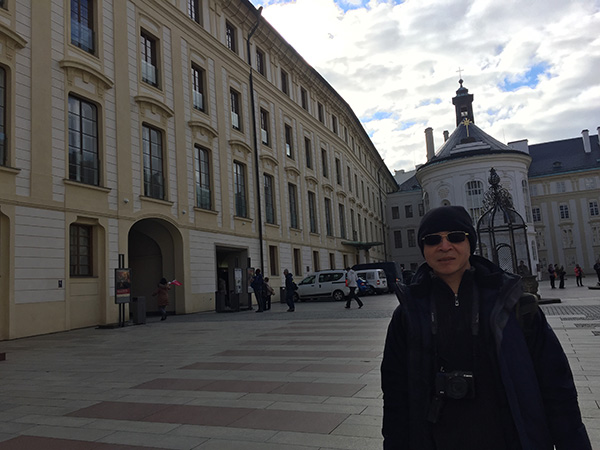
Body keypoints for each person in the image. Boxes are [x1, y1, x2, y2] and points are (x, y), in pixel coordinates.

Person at [381, 206, 591, 450]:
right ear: (424, 248)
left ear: (470, 243)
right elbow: (395, 398)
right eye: (432, 240)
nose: (444, 246)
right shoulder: (407, 315)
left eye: (455, 237)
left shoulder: (515, 304)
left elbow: (557, 387)